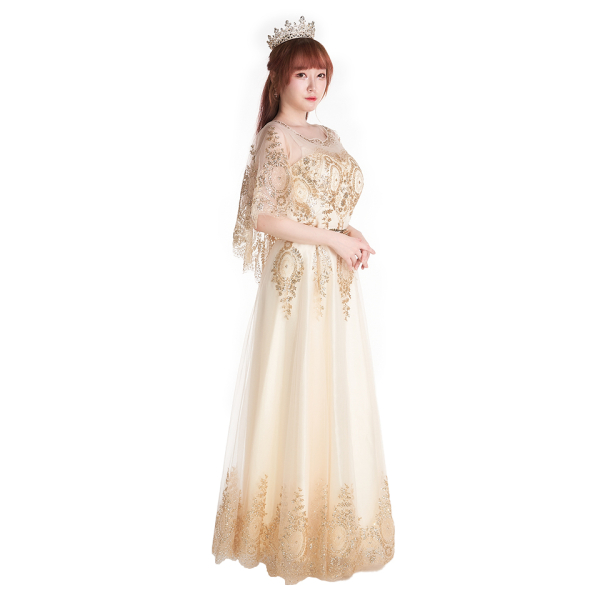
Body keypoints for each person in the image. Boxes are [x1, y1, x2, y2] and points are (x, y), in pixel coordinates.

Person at [211, 16, 395, 585]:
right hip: (297, 277)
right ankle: (286, 535)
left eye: (321, 74)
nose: (314, 85)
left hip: (334, 278)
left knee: (333, 385)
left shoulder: (328, 136)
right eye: (301, 75)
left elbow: (324, 208)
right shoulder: (276, 138)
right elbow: (264, 217)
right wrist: (332, 239)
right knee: (298, 385)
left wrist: (351, 233)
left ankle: (329, 530)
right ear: (279, 80)